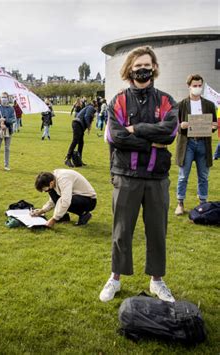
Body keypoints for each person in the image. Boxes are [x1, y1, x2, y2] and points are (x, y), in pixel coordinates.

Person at [100, 46, 178, 303]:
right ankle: (115, 278)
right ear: (129, 70)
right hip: (126, 174)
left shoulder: (166, 101)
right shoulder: (119, 100)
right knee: (121, 231)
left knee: (157, 230)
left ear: (154, 67)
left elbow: (169, 133)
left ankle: (157, 280)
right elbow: (117, 136)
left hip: (157, 177)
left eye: (147, 65)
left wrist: (137, 129)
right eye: (137, 66)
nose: (143, 69)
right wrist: (149, 142)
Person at [175, 74, 218, 215]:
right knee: (183, 176)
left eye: (200, 86)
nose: (197, 88)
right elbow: (175, 126)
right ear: (189, 87)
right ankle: (180, 203)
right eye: (195, 86)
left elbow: (214, 124)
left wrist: (214, 126)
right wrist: (181, 125)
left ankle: (203, 203)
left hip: (203, 144)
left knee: (203, 176)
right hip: (187, 144)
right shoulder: (181, 104)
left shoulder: (209, 105)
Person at [31, 170, 97, 227]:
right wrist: (42, 211)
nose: (45, 191)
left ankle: (84, 214)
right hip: (77, 196)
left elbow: (65, 201)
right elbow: (53, 200)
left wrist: (54, 219)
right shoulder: (53, 179)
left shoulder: (64, 180)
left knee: (64, 200)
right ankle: (63, 216)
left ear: (51, 183)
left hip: (89, 200)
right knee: (52, 192)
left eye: (45, 189)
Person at [65, 99, 97, 167]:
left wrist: (88, 125)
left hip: (80, 125)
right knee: (75, 141)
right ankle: (67, 158)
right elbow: (86, 116)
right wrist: (88, 126)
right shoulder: (91, 107)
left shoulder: (90, 108)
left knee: (81, 143)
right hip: (77, 124)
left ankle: (79, 160)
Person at [0, 92, 15, 171]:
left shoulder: (11, 108)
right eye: (2, 97)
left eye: (5, 97)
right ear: (0, 99)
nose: (4, 99)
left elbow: (13, 119)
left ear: (8, 98)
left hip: (8, 130)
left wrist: (6, 120)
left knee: (7, 148)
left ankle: (6, 165)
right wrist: (0, 124)